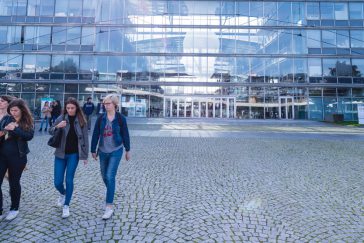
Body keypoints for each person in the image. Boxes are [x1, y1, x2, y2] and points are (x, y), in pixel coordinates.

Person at [91, 94, 130, 220]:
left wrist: (128, 150)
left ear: (114, 104)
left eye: (108, 103)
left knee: (109, 175)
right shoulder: (101, 118)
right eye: (104, 103)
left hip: (116, 150)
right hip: (102, 151)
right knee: (104, 175)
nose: (105, 105)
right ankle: (111, 192)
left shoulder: (120, 119)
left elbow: (125, 134)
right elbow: (96, 133)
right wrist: (93, 149)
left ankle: (109, 207)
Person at [49, 97, 89, 218]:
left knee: (69, 179)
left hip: (74, 155)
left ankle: (66, 205)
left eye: (72, 108)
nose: (70, 110)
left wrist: (85, 155)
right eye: (68, 108)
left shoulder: (82, 120)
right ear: (65, 108)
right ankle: (63, 193)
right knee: (57, 182)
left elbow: (85, 139)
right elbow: (50, 131)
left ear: (76, 107)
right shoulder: (61, 118)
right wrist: (57, 126)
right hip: (60, 154)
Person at [0, 98, 34, 220]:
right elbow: (1, 132)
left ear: (21, 110)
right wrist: (5, 130)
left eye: (15, 110)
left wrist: (15, 129)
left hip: (18, 157)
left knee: (14, 183)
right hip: (2, 156)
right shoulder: (7, 119)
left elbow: (29, 136)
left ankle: (14, 208)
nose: (13, 112)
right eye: (11, 110)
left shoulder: (27, 121)